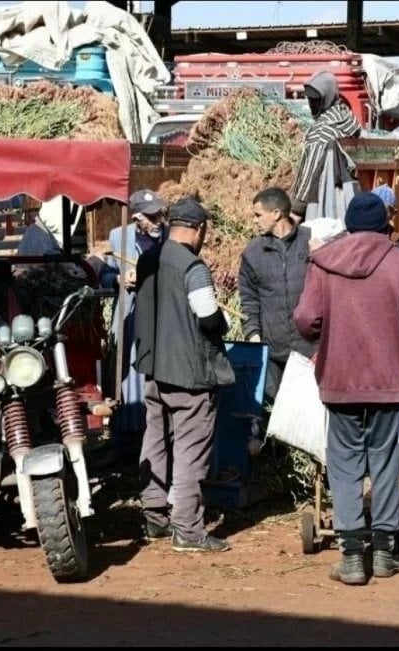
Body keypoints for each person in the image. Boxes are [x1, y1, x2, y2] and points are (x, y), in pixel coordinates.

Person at [294, 192, 399, 586]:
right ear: (385, 226)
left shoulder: (323, 262)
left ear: (350, 226)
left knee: (342, 464)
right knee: (386, 462)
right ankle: (385, 553)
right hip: (388, 381)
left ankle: (353, 555)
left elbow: (306, 321)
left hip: (339, 379)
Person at [133, 197, 235, 552]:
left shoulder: (148, 259)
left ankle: (154, 516)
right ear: (198, 229)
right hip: (189, 374)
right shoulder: (193, 267)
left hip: (153, 368)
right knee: (191, 449)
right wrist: (225, 322)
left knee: (155, 439)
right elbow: (208, 316)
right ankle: (188, 530)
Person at [100, 189, 169, 453]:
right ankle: (128, 434)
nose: (157, 221)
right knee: (130, 370)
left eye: (159, 214)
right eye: (151, 216)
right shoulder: (120, 237)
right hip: (132, 312)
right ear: (137, 216)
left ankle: (157, 433)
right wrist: (119, 279)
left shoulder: (168, 235)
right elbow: (105, 275)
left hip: (161, 313)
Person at [238, 187, 315, 402]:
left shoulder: (311, 243)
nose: (254, 221)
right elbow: (249, 298)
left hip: (310, 350)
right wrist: (253, 334)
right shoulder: (253, 253)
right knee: (272, 414)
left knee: (307, 415)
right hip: (274, 353)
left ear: (276, 213)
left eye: (258, 215)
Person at [290, 71, 361, 221]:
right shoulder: (347, 120)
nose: (311, 104)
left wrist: (297, 209)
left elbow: (310, 174)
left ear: (326, 98)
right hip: (345, 202)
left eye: (315, 100)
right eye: (309, 99)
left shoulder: (321, 132)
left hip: (320, 206)